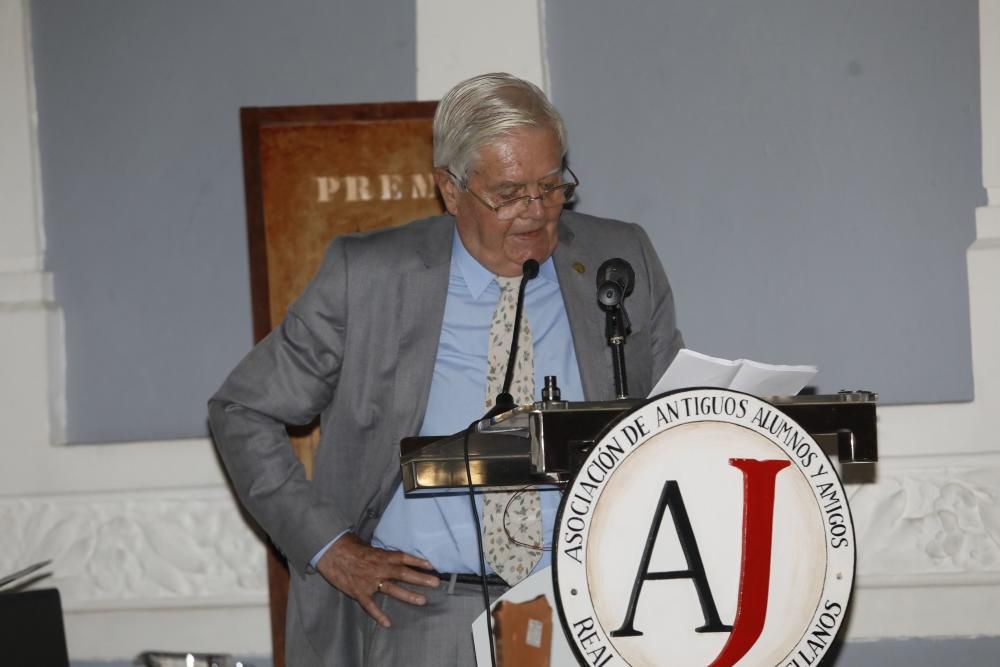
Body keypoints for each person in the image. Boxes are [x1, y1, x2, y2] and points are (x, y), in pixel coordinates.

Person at [208, 72, 683, 666]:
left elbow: (676, 416)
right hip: (427, 617)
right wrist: (331, 549)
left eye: (552, 185)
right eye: (509, 194)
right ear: (450, 189)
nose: (536, 212)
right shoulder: (371, 278)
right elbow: (241, 409)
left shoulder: (619, 259)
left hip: (594, 611)